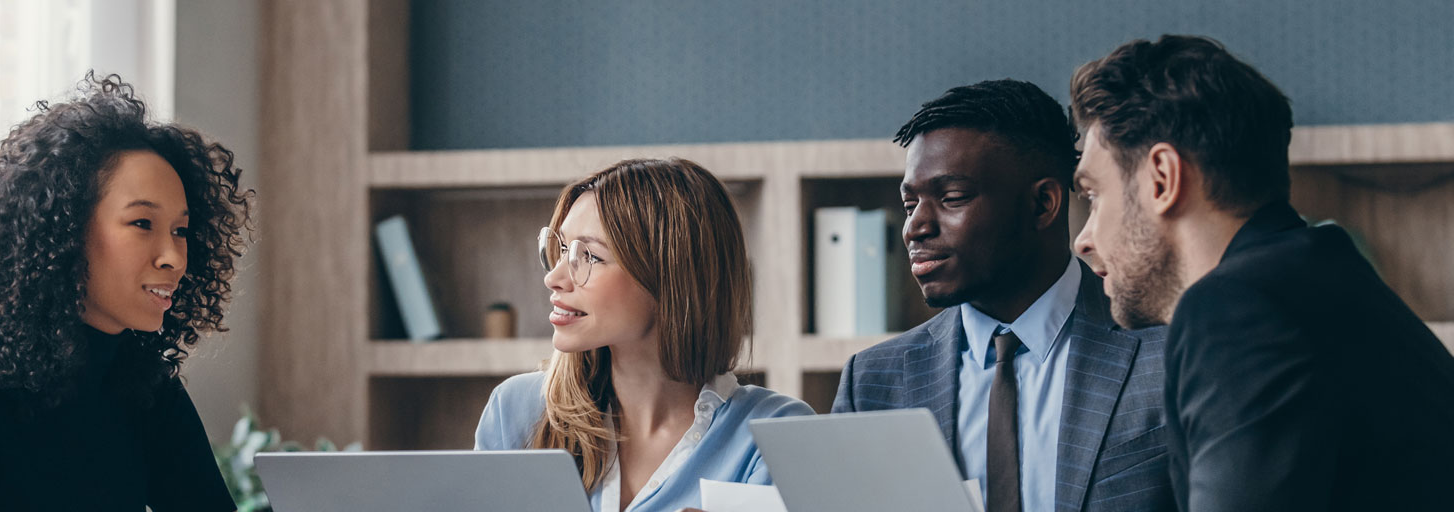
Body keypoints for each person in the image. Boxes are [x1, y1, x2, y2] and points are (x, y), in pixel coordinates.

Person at [1068, 35, 1454, 510]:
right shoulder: (1325, 278)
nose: (1082, 240)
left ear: (1162, 179)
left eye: (1092, 194)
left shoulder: (1234, 309)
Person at [0, 74, 251, 511]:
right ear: (66, 230)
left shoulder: (150, 391)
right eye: (143, 223)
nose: (174, 257)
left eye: (180, 231)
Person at [831, 79, 1172, 512]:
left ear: (1042, 204)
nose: (916, 227)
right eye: (910, 204)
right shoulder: (872, 383)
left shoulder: (1167, 353)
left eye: (951, 198)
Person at [474, 158, 814, 512]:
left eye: (588, 256)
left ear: (672, 277)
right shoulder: (515, 411)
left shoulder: (777, 433)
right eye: (561, 250)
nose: (554, 278)